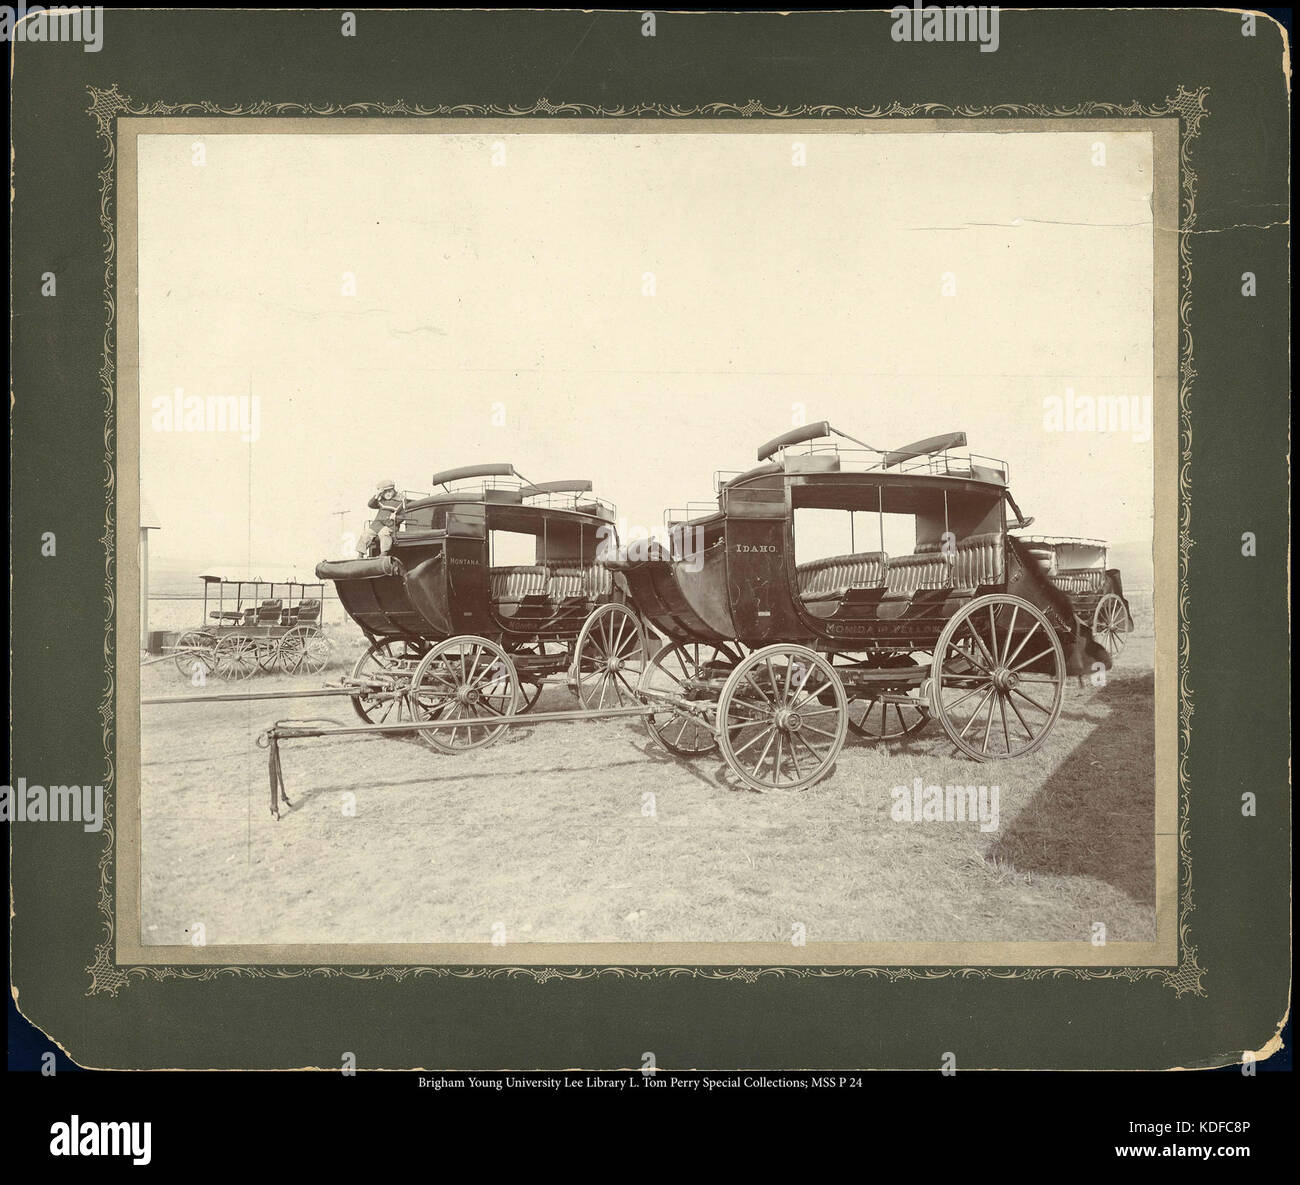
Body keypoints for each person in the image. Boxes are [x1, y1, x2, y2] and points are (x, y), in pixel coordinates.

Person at [358, 479, 404, 557]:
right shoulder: (381, 501)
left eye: (390, 491)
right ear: (382, 493)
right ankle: (360, 554)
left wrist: (396, 517)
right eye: (385, 492)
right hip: (377, 524)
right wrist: (377, 495)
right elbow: (370, 505)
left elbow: (403, 516)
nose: (388, 494)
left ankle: (383, 553)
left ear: (394, 491)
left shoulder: (399, 502)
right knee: (366, 534)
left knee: (384, 533)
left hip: (390, 525)